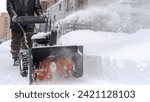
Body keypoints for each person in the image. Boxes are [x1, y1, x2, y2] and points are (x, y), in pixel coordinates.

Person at [7, 0, 43, 66]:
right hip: (16, 22)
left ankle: (27, 56)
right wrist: (14, 15)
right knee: (16, 40)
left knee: (29, 39)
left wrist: (40, 15)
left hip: (29, 21)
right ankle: (16, 57)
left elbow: (37, 7)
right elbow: (10, 7)